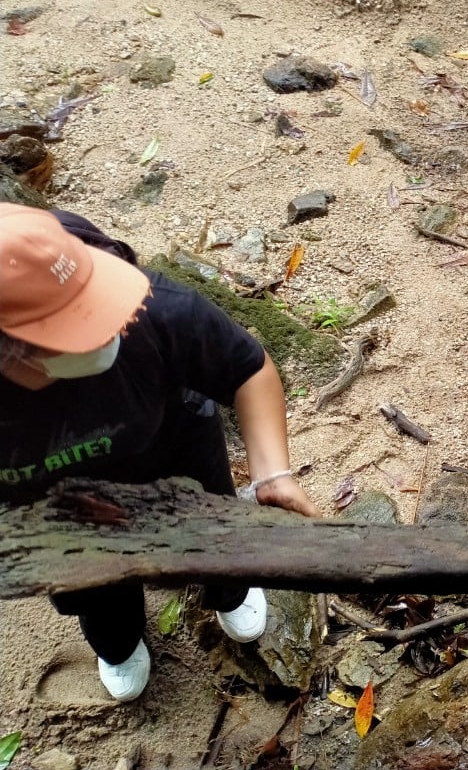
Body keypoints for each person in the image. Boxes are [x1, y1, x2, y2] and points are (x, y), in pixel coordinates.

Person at [0, 202, 319, 702]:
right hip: (59, 513)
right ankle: (118, 643)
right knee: (94, 587)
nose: (109, 330)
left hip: (176, 455)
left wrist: (272, 474)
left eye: (94, 307)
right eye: (74, 332)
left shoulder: (151, 307)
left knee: (217, 539)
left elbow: (248, 369)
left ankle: (230, 593)